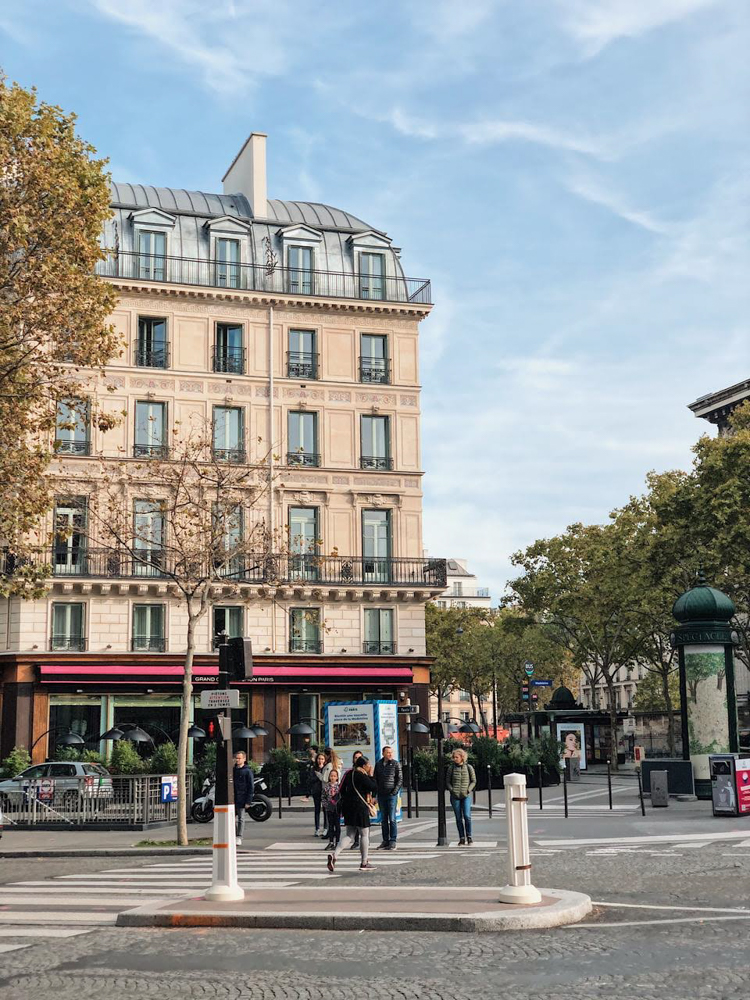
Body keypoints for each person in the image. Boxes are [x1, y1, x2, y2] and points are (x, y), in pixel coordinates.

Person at [327, 756, 378, 872]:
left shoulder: (349, 774)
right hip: (360, 807)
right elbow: (373, 786)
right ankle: (364, 862)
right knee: (364, 834)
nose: (370, 766)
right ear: (364, 766)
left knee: (349, 835)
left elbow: (341, 789)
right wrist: (371, 775)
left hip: (348, 807)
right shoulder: (362, 776)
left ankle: (335, 855)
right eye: (368, 764)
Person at [445, 747, 476, 846]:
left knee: (467, 816)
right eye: (454, 757)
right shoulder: (451, 768)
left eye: (456, 757)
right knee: (458, 818)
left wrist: (468, 790)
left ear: (462, 757)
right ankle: (462, 838)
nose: (455, 759)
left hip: (465, 795)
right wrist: (452, 790)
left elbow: (473, 780)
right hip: (455, 796)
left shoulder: (469, 767)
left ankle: (469, 836)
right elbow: (448, 781)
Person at [374, 745, 402, 850]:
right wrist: (374, 794)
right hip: (381, 794)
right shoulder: (378, 764)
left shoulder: (396, 764)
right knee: (383, 819)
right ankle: (385, 840)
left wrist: (394, 792)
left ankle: (393, 840)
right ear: (383, 753)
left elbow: (400, 779)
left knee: (392, 818)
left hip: (391, 795)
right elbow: (375, 779)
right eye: (388, 752)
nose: (390, 754)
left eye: (391, 752)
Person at [303, 751, 328, 837]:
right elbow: (311, 779)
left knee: (325, 810)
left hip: (324, 791)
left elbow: (326, 779)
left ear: (324, 760)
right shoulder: (313, 768)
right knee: (317, 810)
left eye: (322, 759)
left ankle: (325, 828)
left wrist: (321, 774)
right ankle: (317, 828)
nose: (320, 760)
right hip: (316, 791)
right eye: (319, 759)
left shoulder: (326, 768)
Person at [233, 749, 254, 847]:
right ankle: (234, 835)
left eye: (239, 758)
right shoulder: (233, 770)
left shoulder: (247, 771)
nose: (237, 760)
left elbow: (251, 786)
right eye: (236, 758)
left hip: (242, 797)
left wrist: (248, 801)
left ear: (244, 759)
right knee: (232, 818)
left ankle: (239, 836)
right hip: (233, 797)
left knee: (241, 818)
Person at [322, 768, 341, 850]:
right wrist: (326, 806)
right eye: (331, 776)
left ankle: (337, 842)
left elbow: (341, 797)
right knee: (330, 825)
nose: (333, 778)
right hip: (329, 808)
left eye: (334, 776)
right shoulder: (326, 787)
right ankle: (331, 842)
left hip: (337, 808)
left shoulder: (339, 787)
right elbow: (323, 797)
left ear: (337, 777)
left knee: (337, 825)